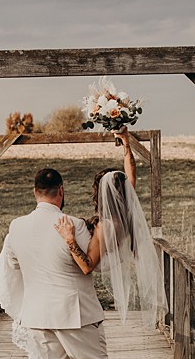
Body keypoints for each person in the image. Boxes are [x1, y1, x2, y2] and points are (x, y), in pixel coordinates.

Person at [0, 168, 110, 359]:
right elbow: (87, 266)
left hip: (36, 314)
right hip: (74, 311)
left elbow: (13, 265)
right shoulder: (74, 224)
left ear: (35, 192)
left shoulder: (16, 226)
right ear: (61, 191)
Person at [53, 127, 166, 326]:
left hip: (100, 262)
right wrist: (126, 143)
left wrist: (69, 239)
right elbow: (131, 175)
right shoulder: (126, 212)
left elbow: (88, 265)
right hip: (114, 255)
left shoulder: (105, 227)